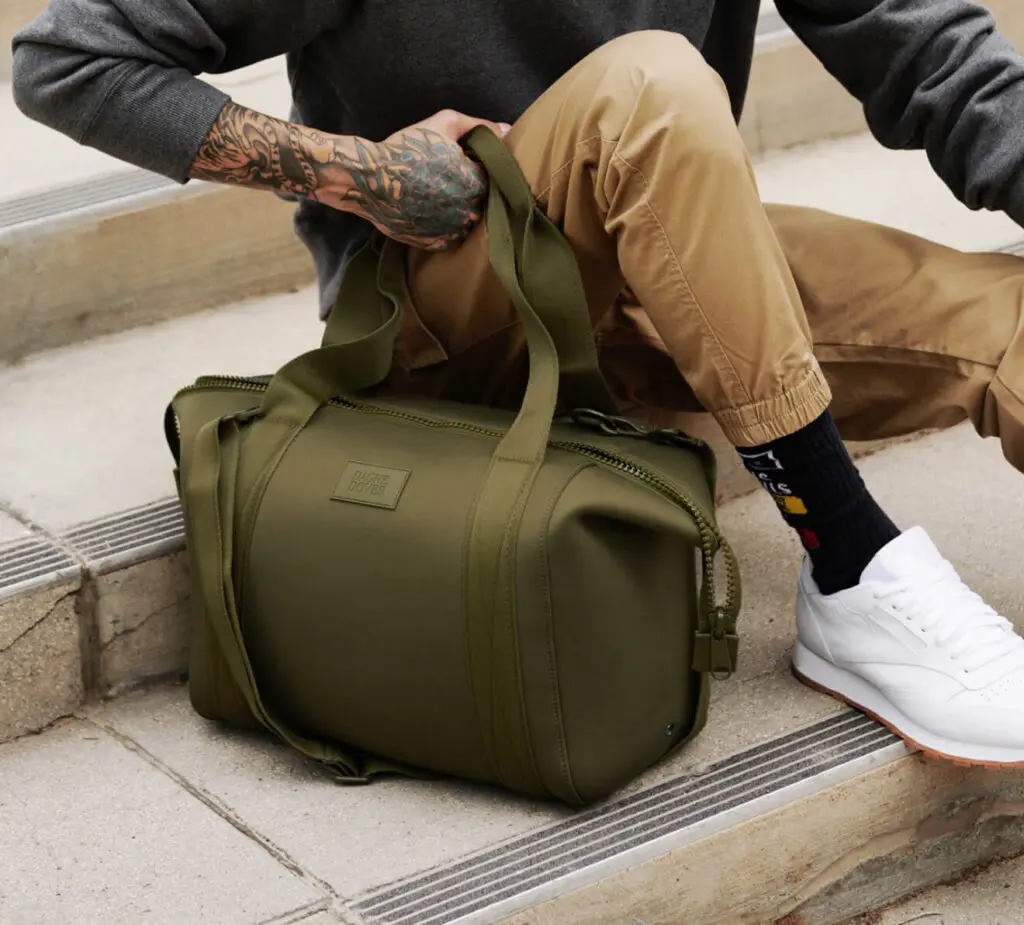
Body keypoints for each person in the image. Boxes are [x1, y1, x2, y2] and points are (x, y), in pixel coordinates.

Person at [11, 0, 1024, 767]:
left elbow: (933, 54)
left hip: (664, 282)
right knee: (654, 83)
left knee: (1007, 316)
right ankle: (848, 560)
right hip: (449, 320)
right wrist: (357, 173)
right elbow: (67, 58)